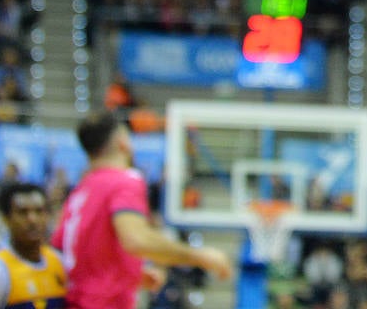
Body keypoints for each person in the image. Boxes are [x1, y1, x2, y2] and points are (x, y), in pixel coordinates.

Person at [51, 111, 233, 308]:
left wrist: (129, 275)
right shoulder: (125, 180)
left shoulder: (82, 189)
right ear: (123, 142)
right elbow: (136, 240)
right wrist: (200, 256)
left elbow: (68, 249)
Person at [0, 182, 67, 309]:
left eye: (39, 211)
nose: (32, 219)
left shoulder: (60, 261)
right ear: (6, 219)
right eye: (23, 212)